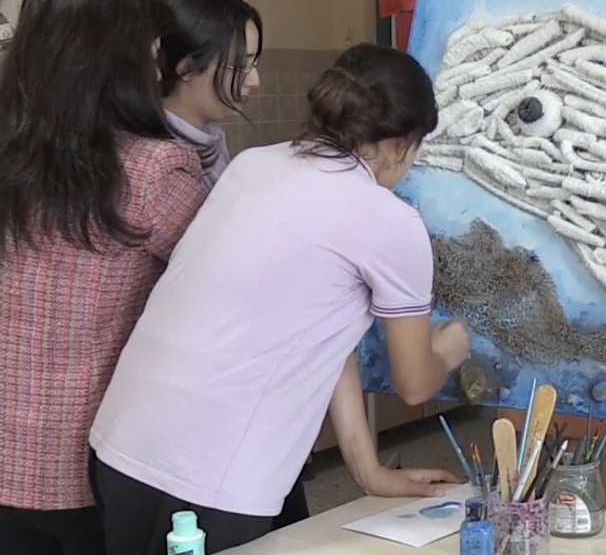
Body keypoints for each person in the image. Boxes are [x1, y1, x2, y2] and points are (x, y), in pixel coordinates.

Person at [88, 43, 471, 554]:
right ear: (401, 143)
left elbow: (326, 339)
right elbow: (414, 383)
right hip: (210, 475)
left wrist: (368, 470)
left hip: (122, 442)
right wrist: (450, 347)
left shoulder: (255, 165)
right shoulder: (389, 220)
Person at [0, 0, 208, 555]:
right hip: (88, 457)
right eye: (151, 46)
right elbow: (222, 285)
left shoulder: (11, 159)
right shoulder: (152, 169)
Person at [158, 0, 264, 187]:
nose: (255, 81)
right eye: (242, 65)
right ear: (187, 68)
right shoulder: (162, 166)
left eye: (254, 64)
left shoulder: (208, 138)